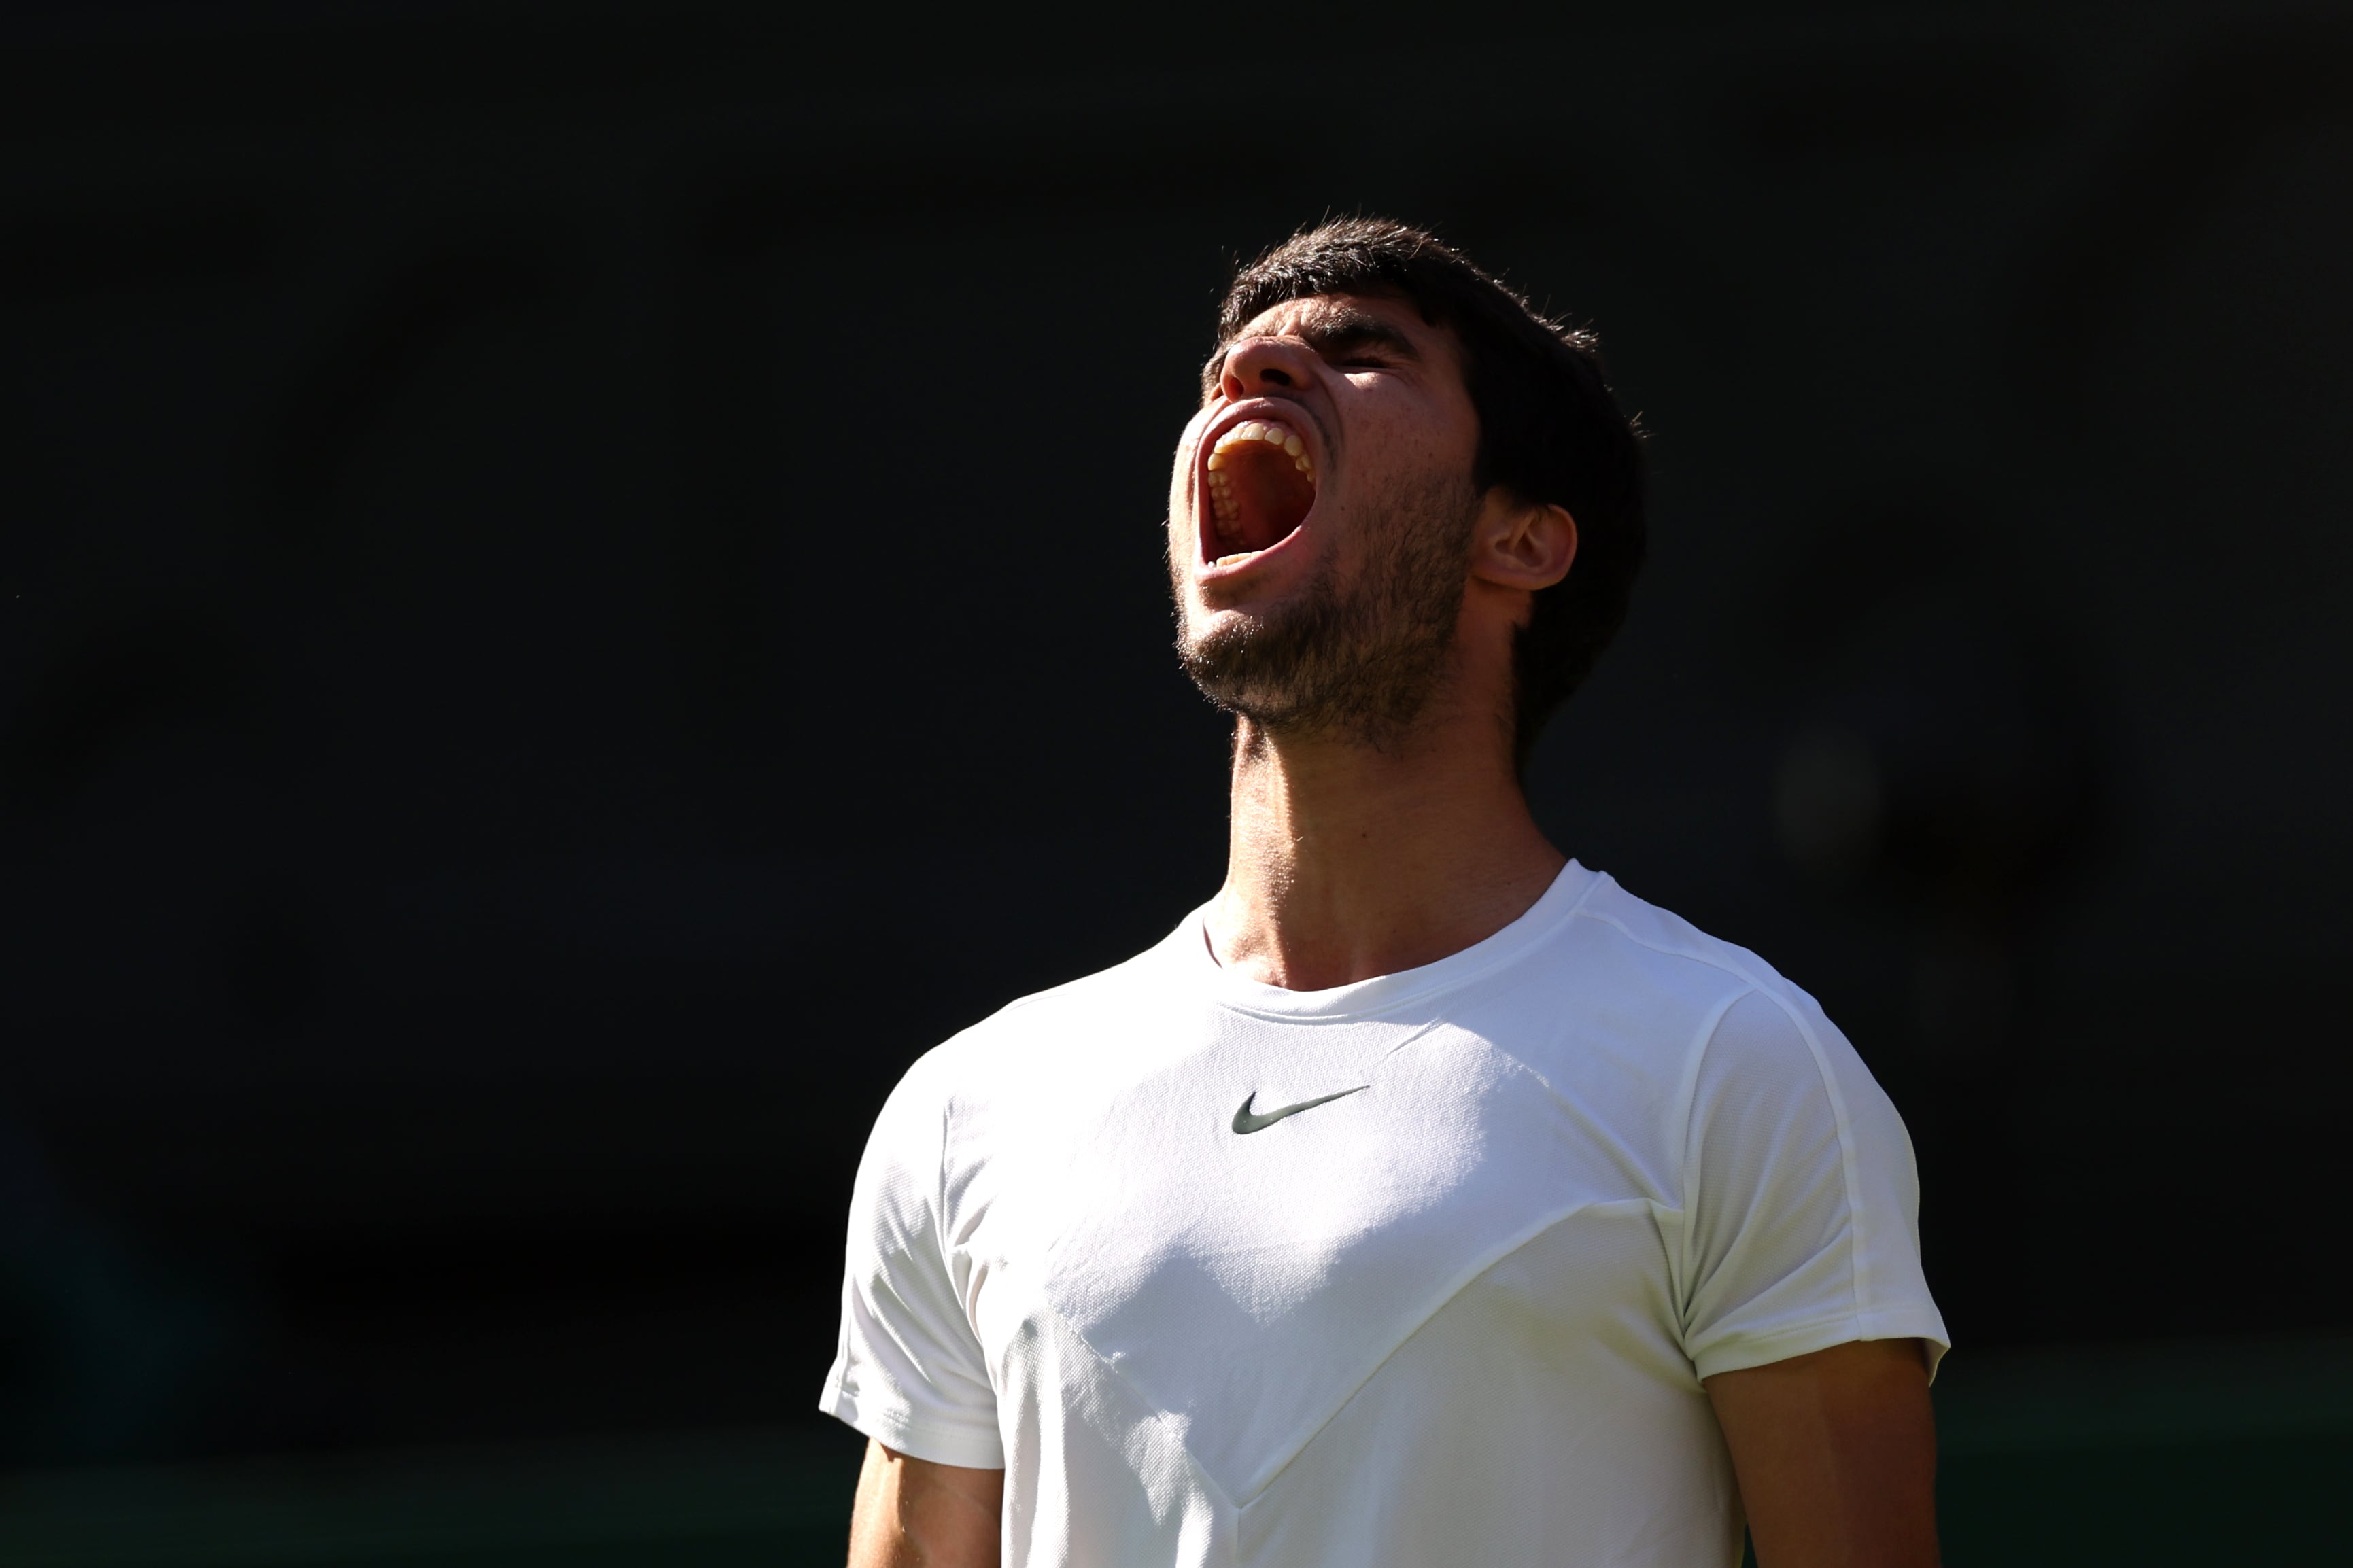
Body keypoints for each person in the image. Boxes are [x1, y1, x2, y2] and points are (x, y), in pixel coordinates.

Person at [821, 218, 1946, 1567]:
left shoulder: (1738, 1068)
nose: (1256, 374)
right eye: (1227, 371)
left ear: (1522, 541)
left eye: (1359, 354)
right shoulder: (965, 1112)